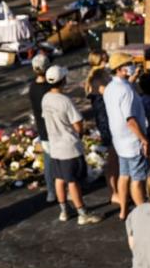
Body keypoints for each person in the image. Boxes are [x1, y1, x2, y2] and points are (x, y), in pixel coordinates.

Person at [41, 65, 101, 225]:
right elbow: (78, 124)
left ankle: (64, 211)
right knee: (73, 181)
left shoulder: (45, 99)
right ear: (63, 81)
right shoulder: (65, 101)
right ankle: (82, 213)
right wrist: (79, 134)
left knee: (59, 179)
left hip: (55, 148)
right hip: (69, 147)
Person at [103, 53, 149, 220]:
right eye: (128, 63)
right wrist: (144, 139)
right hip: (132, 141)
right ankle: (143, 212)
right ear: (120, 69)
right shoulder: (126, 91)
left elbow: (123, 92)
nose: (131, 65)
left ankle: (123, 210)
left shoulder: (110, 88)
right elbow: (130, 120)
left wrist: (132, 79)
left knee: (124, 176)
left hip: (119, 141)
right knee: (137, 180)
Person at [86, 68, 118, 207]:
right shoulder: (101, 94)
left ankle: (115, 191)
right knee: (113, 162)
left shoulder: (97, 94)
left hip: (107, 127)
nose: (110, 79)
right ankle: (114, 192)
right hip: (108, 129)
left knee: (114, 161)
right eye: (107, 77)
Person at [27, 53, 56, 203]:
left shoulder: (32, 87)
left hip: (42, 129)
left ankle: (51, 191)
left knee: (48, 160)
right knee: (57, 161)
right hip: (54, 129)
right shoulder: (49, 89)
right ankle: (58, 189)